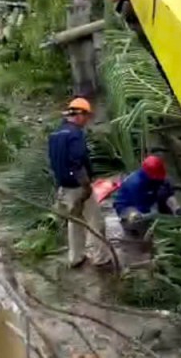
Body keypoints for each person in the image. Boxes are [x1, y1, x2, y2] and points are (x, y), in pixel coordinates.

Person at [47, 97, 109, 268]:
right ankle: (101, 257)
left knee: (74, 222)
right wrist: (86, 185)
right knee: (95, 221)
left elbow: (53, 162)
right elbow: (77, 159)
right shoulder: (75, 134)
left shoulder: (55, 134)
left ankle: (76, 257)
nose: (87, 120)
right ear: (79, 114)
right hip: (78, 186)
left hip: (64, 186)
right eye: (86, 116)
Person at [113, 155, 181, 238]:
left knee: (163, 199)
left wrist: (176, 208)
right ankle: (132, 228)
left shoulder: (159, 178)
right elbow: (143, 209)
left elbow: (168, 194)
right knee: (137, 220)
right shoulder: (136, 183)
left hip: (150, 200)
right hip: (128, 206)